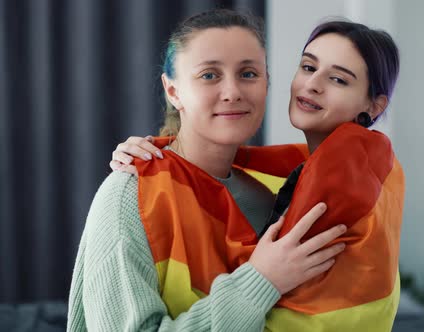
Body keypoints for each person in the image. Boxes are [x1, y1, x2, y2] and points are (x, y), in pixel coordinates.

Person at [112, 18, 405, 331]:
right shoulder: (132, 193)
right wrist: (161, 152)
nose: (313, 84)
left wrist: (261, 279)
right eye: (308, 67)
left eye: (338, 79)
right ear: (173, 90)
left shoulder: (336, 183)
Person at [67, 9, 348, 332]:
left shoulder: (279, 191)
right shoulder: (129, 195)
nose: (232, 92)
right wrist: (260, 281)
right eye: (209, 75)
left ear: (267, 83)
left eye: (248, 74)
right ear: (173, 91)